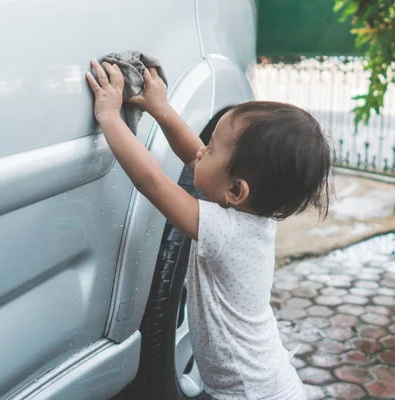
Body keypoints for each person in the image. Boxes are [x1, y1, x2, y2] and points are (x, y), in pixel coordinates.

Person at [86, 59, 331, 399]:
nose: (201, 150)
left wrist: (110, 117)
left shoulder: (225, 230)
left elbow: (153, 183)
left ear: (236, 190)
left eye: (212, 148)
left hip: (249, 393)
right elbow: (195, 157)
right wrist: (161, 109)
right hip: (268, 383)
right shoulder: (250, 211)